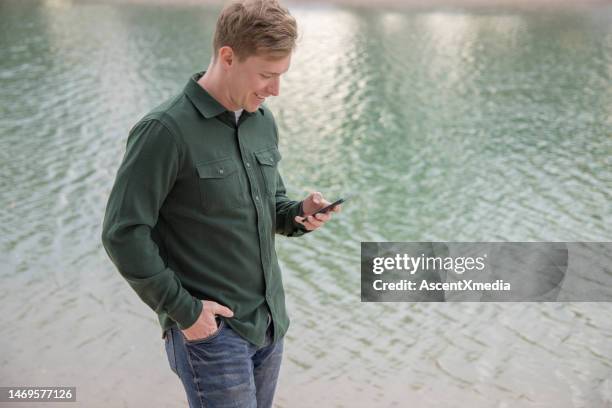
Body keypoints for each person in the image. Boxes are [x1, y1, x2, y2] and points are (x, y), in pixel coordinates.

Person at [101, 1, 341, 406]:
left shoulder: (261, 121)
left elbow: (272, 205)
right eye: (266, 75)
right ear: (228, 57)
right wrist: (187, 313)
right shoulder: (164, 131)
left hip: (269, 325)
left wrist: (298, 214)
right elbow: (123, 234)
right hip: (212, 334)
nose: (275, 90)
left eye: (280, 75)